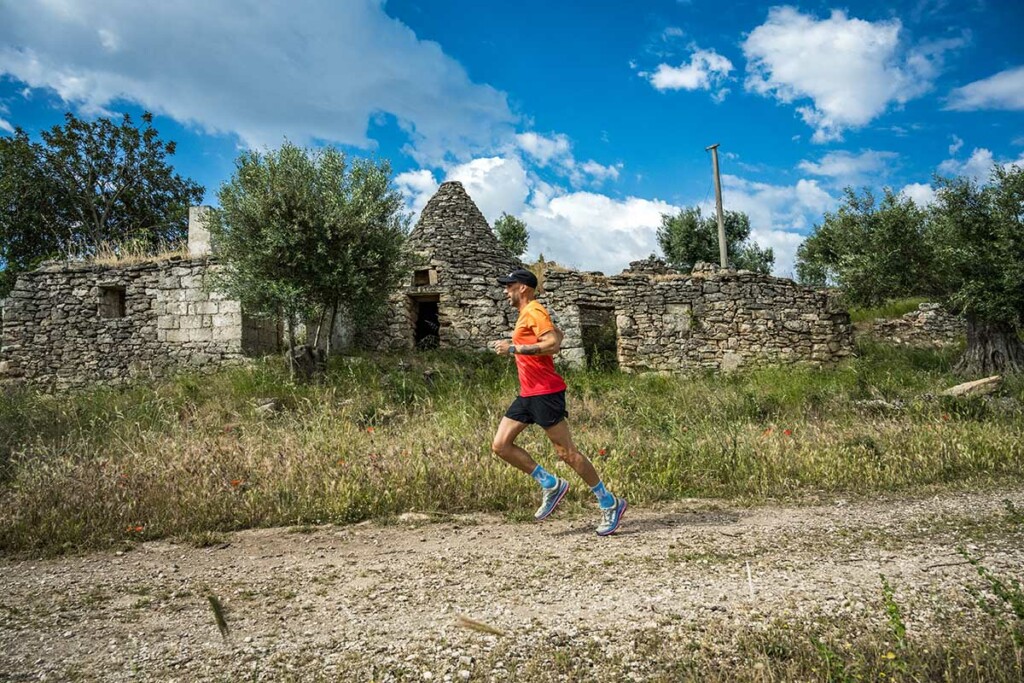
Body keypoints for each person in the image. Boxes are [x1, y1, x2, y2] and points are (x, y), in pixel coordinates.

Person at [490, 268, 626, 536]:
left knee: (567, 454)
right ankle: (550, 484)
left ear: (524, 289)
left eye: (510, 286)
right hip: (528, 393)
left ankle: (609, 503)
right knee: (501, 445)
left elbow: (552, 344)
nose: (505, 291)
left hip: (546, 392)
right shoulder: (529, 315)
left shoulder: (534, 311)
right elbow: (559, 335)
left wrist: (513, 348)